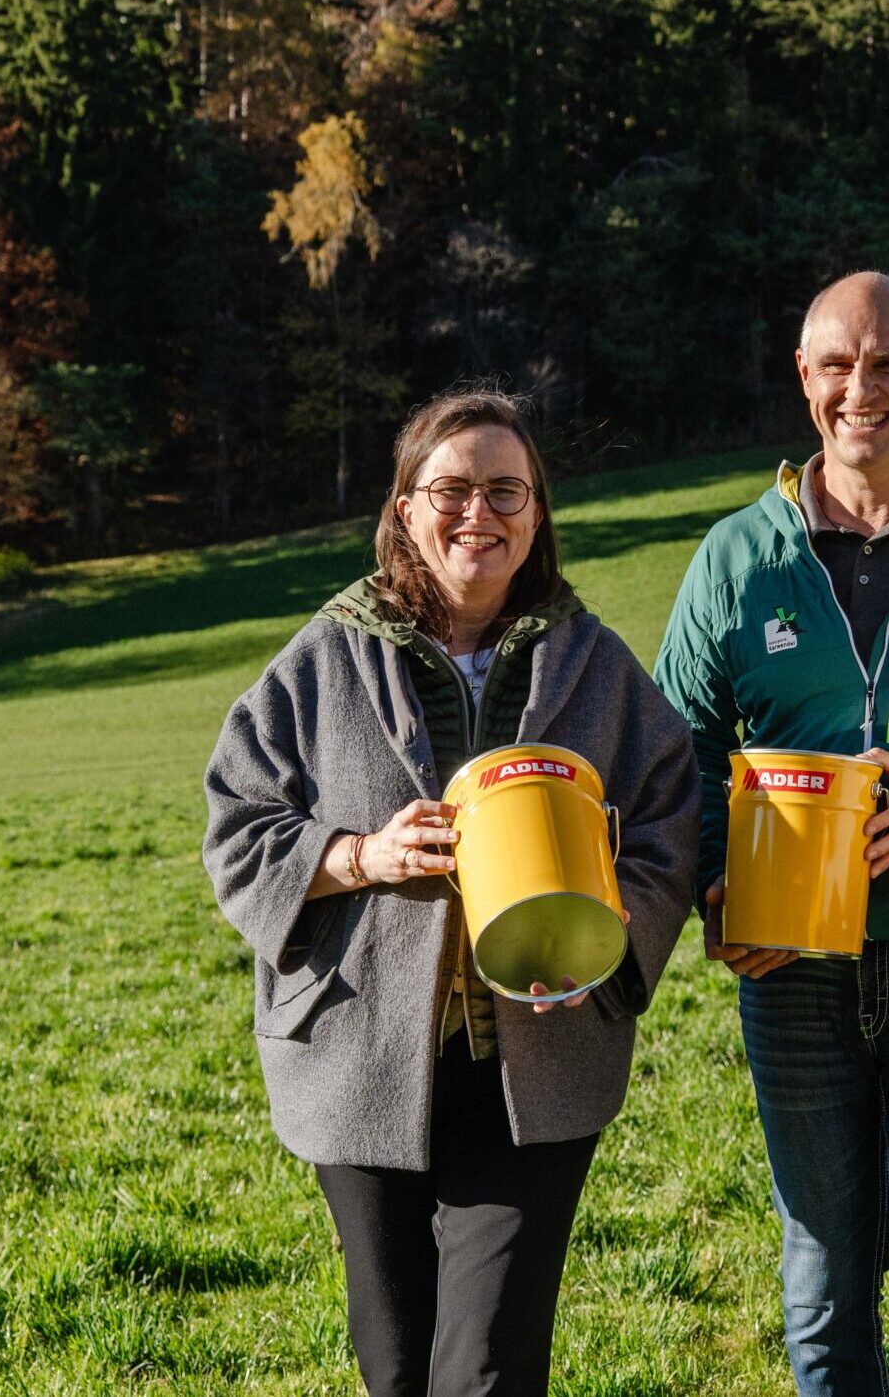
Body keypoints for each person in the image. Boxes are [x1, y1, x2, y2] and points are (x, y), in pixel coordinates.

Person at [203, 387, 699, 1397]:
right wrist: (356, 857)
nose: (481, 513)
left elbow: (668, 822)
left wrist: (608, 928)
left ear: (538, 515)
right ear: (403, 511)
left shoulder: (598, 666)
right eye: (452, 489)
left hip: (539, 1063)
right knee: (396, 1366)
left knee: (487, 1370)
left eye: (507, 491)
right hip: (362, 1057)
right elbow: (238, 823)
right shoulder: (324, 656)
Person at [655, 271, 889, 1396]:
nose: (859, 389)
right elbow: (676, 743)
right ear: (804, 380)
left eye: (886, 364)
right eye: (836, 365)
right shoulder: (738, 554)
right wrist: (719, 891)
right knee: (822, 1291)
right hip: (792, 967)